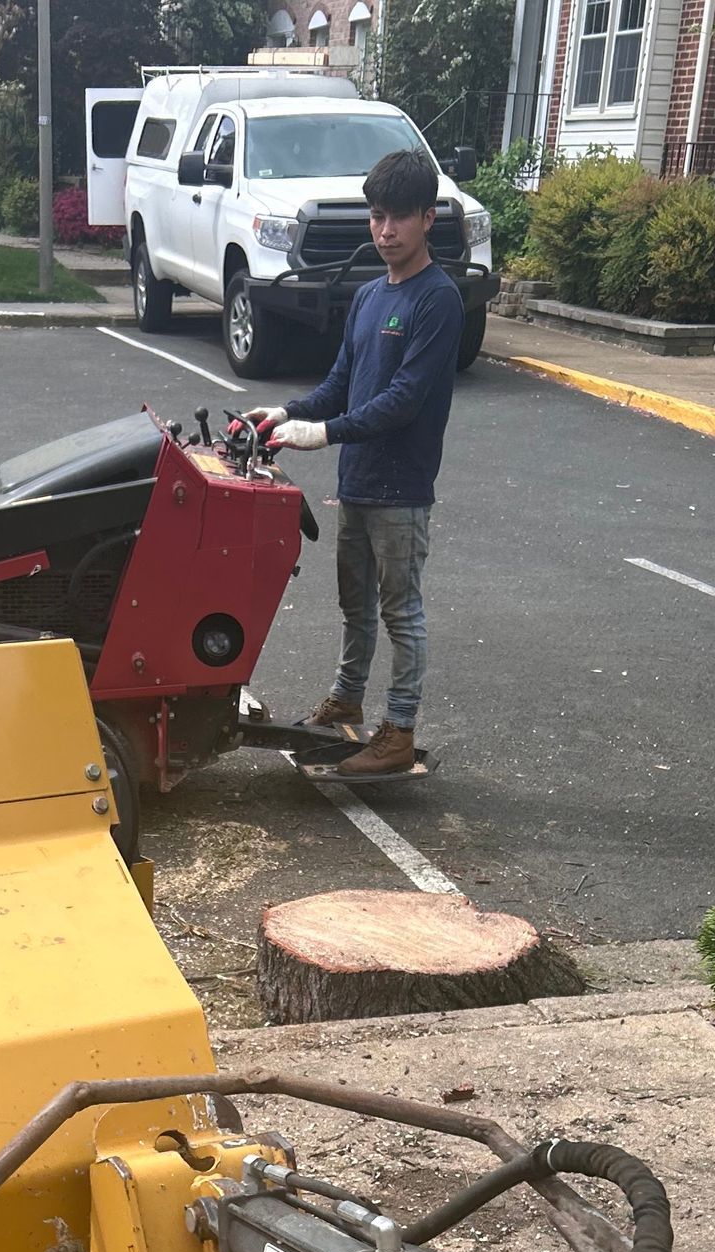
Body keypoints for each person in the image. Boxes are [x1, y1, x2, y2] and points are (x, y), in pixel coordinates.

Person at [249, 148, 463, 779]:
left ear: (428, 219)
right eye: (376, 217)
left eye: (399, 218)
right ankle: (346, 699)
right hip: (360, 485)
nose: (385, 230)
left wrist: (325, 433)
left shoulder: (437, 300)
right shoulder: (370, 295)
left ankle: (397, 730)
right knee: (354, 604)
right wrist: (285, 413)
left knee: (400, 609)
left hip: (402, 490)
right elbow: (341, 381)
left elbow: (403, 400)